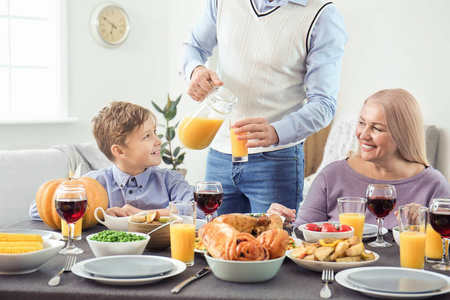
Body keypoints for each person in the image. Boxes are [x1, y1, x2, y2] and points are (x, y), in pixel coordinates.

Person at [179, 0, 347, 215]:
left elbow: (324, 103)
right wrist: (195, 70)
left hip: (275, 161)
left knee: (273, 245)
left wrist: (277, 131)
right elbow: (193, 47)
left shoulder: (323, 16)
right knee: (215, 244)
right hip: (219, 155)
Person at [268, 89, 450, 229]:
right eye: (362, 123)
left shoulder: (433, 184)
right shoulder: (332, 175)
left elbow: (443, 250)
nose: (363, 135)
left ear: (402, 136)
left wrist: (424, 229)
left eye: (377, 128)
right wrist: (280, 225)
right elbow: (303, 233)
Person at [29, 101, 195, 219]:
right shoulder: (95, 183)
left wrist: (144, 215)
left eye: (154, 132)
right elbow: (37, 210)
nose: (158, 141)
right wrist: (98, 213)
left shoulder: (170, 180)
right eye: (146, 136)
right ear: (119, 151)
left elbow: (197, 213)